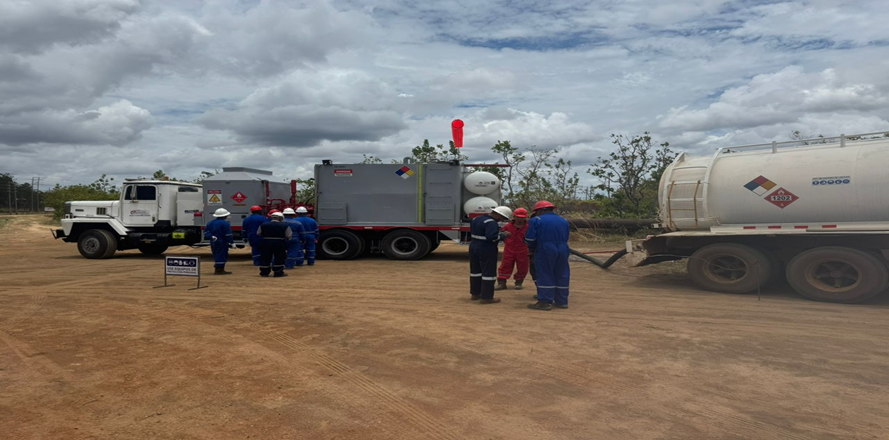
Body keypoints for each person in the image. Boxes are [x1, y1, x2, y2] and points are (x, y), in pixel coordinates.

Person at [525, 201, 571, 311]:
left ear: (540, 210)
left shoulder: (536, 220)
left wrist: (531, 248)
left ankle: (544, 302)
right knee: (562, 273)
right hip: (563, 248)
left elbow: (530, 239)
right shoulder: (563, 220)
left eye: (536, 212)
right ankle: (561, 301)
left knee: (545, 272)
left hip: (545, 248)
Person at [469, 206, 513, 304]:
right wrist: (503, 235)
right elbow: (492, 238)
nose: (502, 220)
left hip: (474, 246)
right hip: (486, 249)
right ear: (498, 214)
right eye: (502, 218)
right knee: (488, 273)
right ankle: (487, 297)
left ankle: (475, 294)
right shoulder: (491, 223)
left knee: (475, 271)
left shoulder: (476, 219)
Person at [496, 207, 530, 290]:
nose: (520, 219)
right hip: (509, 249)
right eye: (518, 217)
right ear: (514, 217)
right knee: (505, 265)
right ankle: (502, 283)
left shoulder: (528, 227)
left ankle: (519, 282)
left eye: (522, 217)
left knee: (523, 266)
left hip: (523, 249)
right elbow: (500, 235)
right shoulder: (507, 226)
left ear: (525, 217)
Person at [257, 211, 292, 277]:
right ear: (280, 218)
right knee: (279, 257)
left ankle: (264, 272)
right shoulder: (285, 225)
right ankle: (278, 272)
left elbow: (258, 233)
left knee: (265, 257)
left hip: (266, 243)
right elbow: (288, 235)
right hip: (279, 243)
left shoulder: (263, 225)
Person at [204, 208, 234, 275]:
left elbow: (206, 232)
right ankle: (219, 270)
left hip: (213, 241)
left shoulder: (210, 223)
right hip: (222, 242)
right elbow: (228, 234)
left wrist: (211, 237)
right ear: (224, 216)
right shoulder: (225, 223)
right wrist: (231, 242)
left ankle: (218, 269)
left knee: (216, 254)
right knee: (222, 254)